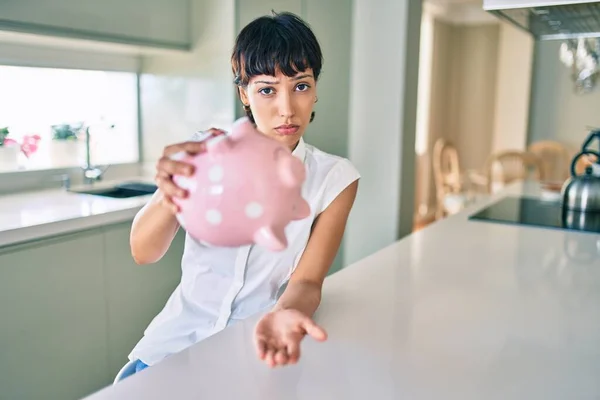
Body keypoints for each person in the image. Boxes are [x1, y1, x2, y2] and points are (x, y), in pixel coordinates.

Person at [125, 10, 360, 374]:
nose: (286, 109)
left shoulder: (335, 177)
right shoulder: (204, 152)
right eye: (267, 89)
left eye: (301, 85)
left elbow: (308, 281)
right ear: (244, 94)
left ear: (315, 89)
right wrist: (167, 193)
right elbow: (144, 252)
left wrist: (285, 314)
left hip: (251, 350)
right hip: (169, 349)